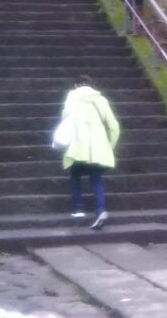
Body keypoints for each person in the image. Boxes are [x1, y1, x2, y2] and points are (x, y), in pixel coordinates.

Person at [60, 76, 120, 229]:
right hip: (97, 148)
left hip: (77, 146)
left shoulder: (72, 97)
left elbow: (65, 118)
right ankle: (100, 210)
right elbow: (114, 126)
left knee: (75, 176)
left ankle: (77, 208)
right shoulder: (101, 100)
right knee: (96, 180)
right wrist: (109, 147)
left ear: (75, 85)